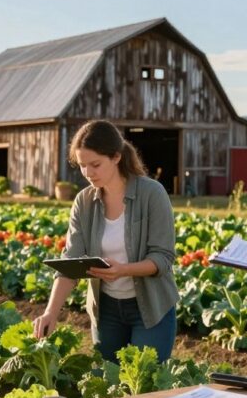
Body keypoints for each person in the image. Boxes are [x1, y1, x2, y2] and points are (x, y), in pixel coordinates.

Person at [32, 120, 178, 362]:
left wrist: (124, 271)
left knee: (145, 385)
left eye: (95, 164)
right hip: (106, 310)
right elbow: (72, 261)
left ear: (116, 157)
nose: (88, 173)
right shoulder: (84, 202)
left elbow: (162, 258)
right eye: (82, 166)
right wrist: (50, 313)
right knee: (108, 385)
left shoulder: (152, 194)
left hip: (151, 309)